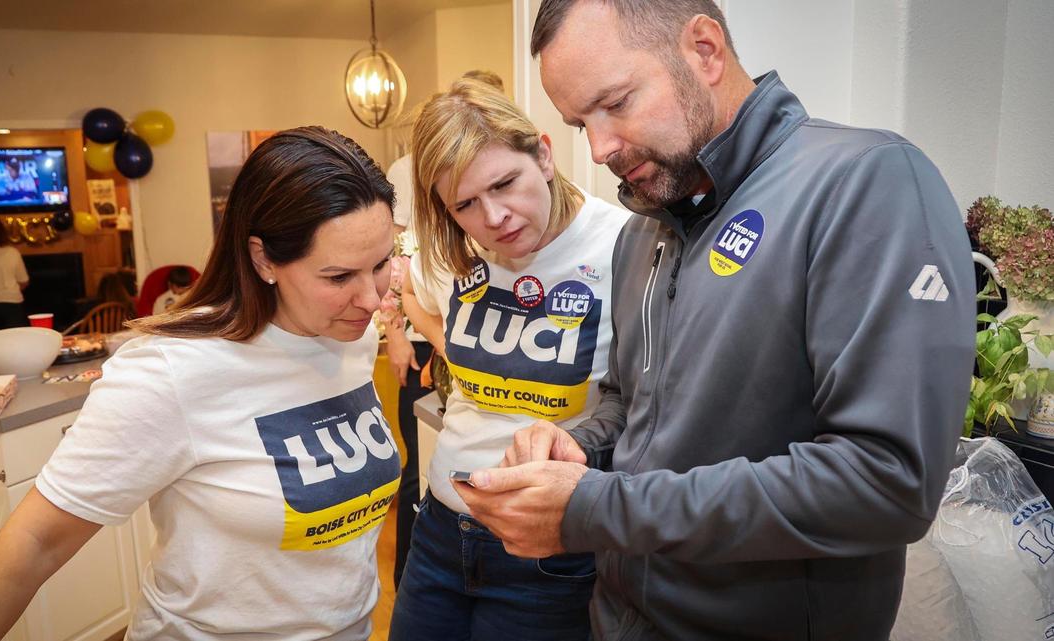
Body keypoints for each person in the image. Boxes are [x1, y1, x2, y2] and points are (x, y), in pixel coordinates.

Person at [452, 2, 977, 640]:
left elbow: (885, 482)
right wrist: (581, 452)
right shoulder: (645, 229)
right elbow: (634, 405)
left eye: (615, 103)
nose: (598, 148)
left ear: (704, 49)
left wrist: (596, 507)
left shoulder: (862, 183)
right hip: (619, 620)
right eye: (578, 122)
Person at [0, 127, 401, 641]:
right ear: (263, 259)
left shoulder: (351, 338)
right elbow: (35, 543)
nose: (372, 299)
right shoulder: (174, 370)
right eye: (338, 277)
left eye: (381, 264)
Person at [387, 78, 631, 641]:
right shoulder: (456, 251)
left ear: (543, 154)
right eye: (465, 203)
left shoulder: (623, 244)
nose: (494, 217)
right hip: (441, 532)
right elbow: (411, 292)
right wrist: (436, 343)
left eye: (505, 183)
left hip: (546, 551)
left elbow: (640, 402)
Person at [380, 68, 506, 589]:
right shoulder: (407, 172)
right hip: (420, 332)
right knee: (416, 463)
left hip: (462, 328)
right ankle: (412, 573)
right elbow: (398, 265)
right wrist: (397, 332)